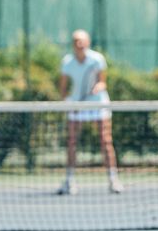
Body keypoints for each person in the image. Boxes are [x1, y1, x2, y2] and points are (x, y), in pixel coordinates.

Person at [58, 29, 122, 194]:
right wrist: (66, 102)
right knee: (72, 141)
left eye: (81, 41)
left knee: (105, 140)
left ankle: (113, 180)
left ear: (87, 42)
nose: (78, 44)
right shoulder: (67, 62)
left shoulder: (97, 59)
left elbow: (102, 82)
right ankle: (69, 181)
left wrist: (96, 88)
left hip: (98, 104)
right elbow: (63, 88)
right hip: (77, 105)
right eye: (75, 41)